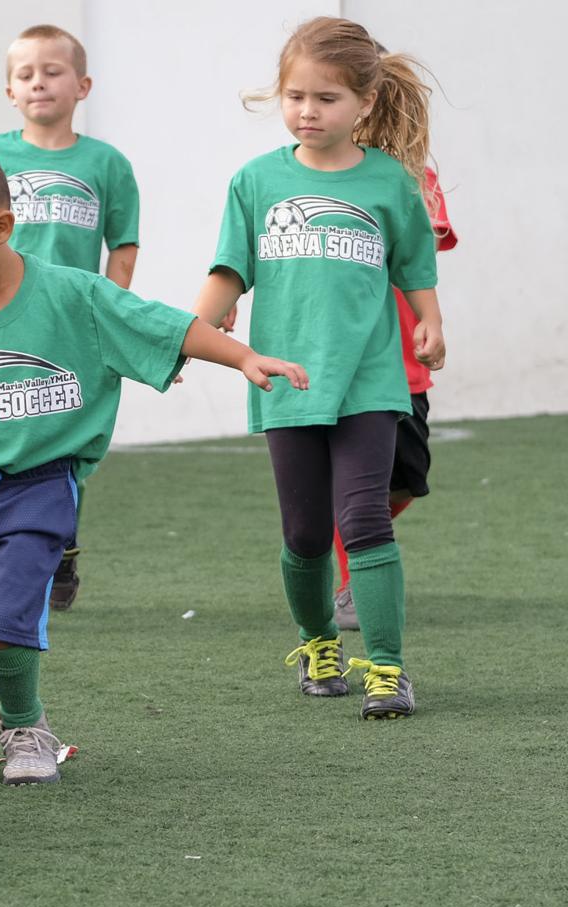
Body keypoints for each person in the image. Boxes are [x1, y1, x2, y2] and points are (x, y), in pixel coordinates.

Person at [0, 140, 307, 786]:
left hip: (37, 491)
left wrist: (242, 357)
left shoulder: (74, 296)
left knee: (5, 626)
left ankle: (24, 723)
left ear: (1, 227)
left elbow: (165, 326)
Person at [190, 16, 446, 719]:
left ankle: (389, 669)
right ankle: (318, 641)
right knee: (304, 533)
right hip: (285, 379)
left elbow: (415, 266)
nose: (308, 110)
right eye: (296, 95)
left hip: (369, 379)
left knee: (365, 516)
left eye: (326, 98)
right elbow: (226, 271)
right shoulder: (255, 181)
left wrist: (430, 321)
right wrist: (194, 329)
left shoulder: (393, 182)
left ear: (364, 104)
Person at [0, 24, 141, 611]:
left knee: (64, 442)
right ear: (9, 92)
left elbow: (123, 245)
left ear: (83, 85)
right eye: (25, 75)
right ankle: (1, 541)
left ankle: (60, 545)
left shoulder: (107, 163)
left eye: (52, 71)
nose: (39, 83)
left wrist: (111, 310)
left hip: (73, 324)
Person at [332, 169, 459, 629]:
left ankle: (352, 526)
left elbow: (426, 244)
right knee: (361, 494)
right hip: (349, 363)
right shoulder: (319, 176)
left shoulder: (415, 177)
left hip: (406, 364)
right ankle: (352, 584)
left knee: (406, 480)